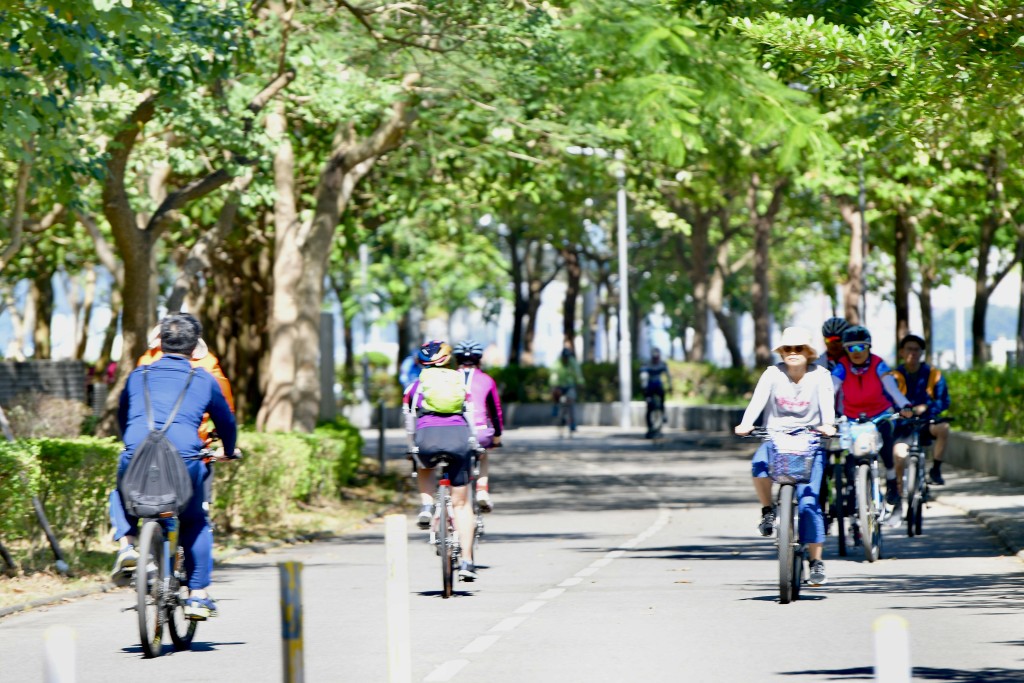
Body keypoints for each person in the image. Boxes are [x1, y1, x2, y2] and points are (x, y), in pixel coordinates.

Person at [113, 312, 237, 619]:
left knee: (120, 492)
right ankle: (197, 595)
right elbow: (226, 421)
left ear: (160, 342)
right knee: (195, 520)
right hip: (186, 460)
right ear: (196, 348)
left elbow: (123, 417)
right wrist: (229, 449)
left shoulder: (137, 374)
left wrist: (130, 443)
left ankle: (127, 546)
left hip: (138, 453)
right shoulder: (205, 379)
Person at [735, 327, 836, 586]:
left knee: (809, 503)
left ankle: (816, 561)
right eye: (787, 349)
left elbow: (827, 405)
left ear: (809, 353)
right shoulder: (772, 374)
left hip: (811, 442)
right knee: (758, 465)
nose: (793, 353)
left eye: (799, 348)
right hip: (776, 439)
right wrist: (746, 423)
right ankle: (768, 510)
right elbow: (757, 401)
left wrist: (828, 425)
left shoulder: (821, 375)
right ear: (781, 352)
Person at [403, 340, 478, 581]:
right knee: (462, 504)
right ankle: (466, 561)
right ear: (448, 359)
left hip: (427, 438)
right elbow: (470, 416)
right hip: (458, 439)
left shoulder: (414, 388)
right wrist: (473, 442)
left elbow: (409, 423)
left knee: (423, 463)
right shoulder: (460, 383)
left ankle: (426, 506)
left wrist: (411, 447)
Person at [831, 325, 914, 513]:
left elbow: (892, 389)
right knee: (850, 456)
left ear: (869, 347)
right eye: (851, 348)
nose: (856, 352)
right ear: (845, 349)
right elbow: (831, 389)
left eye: (861, 347)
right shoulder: (842, 366)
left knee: (885, 440)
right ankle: (854, 492)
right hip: (851, 417)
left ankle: (892, 482)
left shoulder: (878, 364)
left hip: (880, 413)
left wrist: (905, 405)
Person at [890, 334, 952, 486]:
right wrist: (902, 411)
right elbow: (886, 400)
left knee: (944, 428)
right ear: (901, 352)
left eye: (917, 350)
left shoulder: (933, 374)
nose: (913, 353)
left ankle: (936, 470)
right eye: (909, 349)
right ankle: (898, 492)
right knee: (899, 455)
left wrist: (927, 408)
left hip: (925, 422)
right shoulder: (894, 376)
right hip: (903, 427)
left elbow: (944, 400)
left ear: (922, 353)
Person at [453, 339, 504, 512]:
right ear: (479, 360)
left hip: (452, 431)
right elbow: (495, 411)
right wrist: (497, 436)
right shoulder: (487, 380)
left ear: (456, 360)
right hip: (480, 433)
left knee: (452, 458)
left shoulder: (449, 378)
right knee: (483, 454)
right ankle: (482, 490)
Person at [549, 346, 584, 433]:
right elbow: (553, 374)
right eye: (564, 357)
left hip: (569, 385)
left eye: (567, 358)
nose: (565, 359)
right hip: (559, 385)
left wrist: (580, 381)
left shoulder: (572, 362)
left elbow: (578, 373)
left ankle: (572, 424)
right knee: (555, 393)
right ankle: (555, 406)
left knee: (571, 401)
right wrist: (554, 385)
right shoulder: (557, 363)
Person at [640, 347, 672, 438]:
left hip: (658, 385)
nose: (655, 360)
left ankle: (663, 412)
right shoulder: (647, 364)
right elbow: (643, 376)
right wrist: (644, 386)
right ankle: (650, 426)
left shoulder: (662, 364)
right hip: (649, 386)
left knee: (662, 397)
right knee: (649, 406)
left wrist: (670, 386)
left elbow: (668, 375)